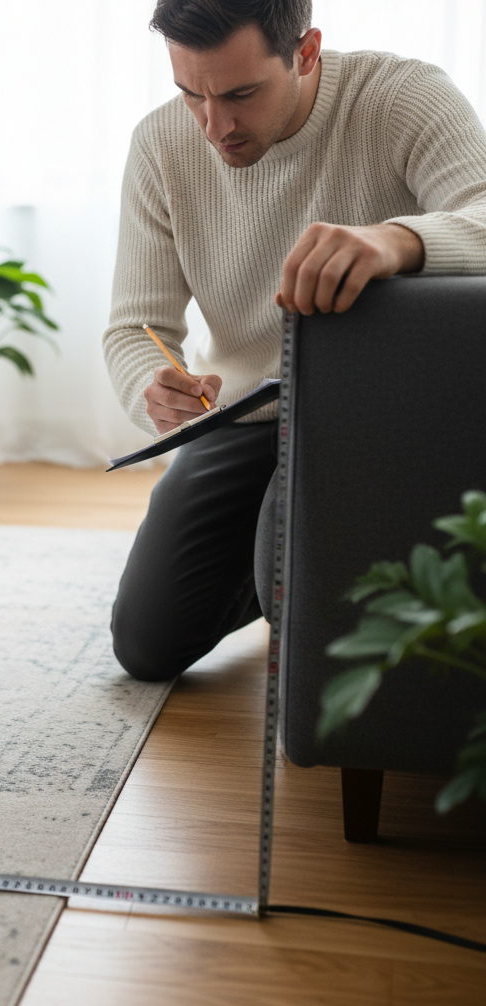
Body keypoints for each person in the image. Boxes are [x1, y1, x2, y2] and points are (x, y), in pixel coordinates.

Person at [105, 0, 486, 680]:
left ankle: (279, 576)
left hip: (374, 416)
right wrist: (151, 389)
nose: (214, 126)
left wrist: (397, 240)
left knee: (304, 593)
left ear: (305, 52)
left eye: (240, 94)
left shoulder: (401, 97)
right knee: (145, 646)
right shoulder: (161, 144)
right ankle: (264, 572)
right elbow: (135, 328)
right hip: (246, 414)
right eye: (191, 94)